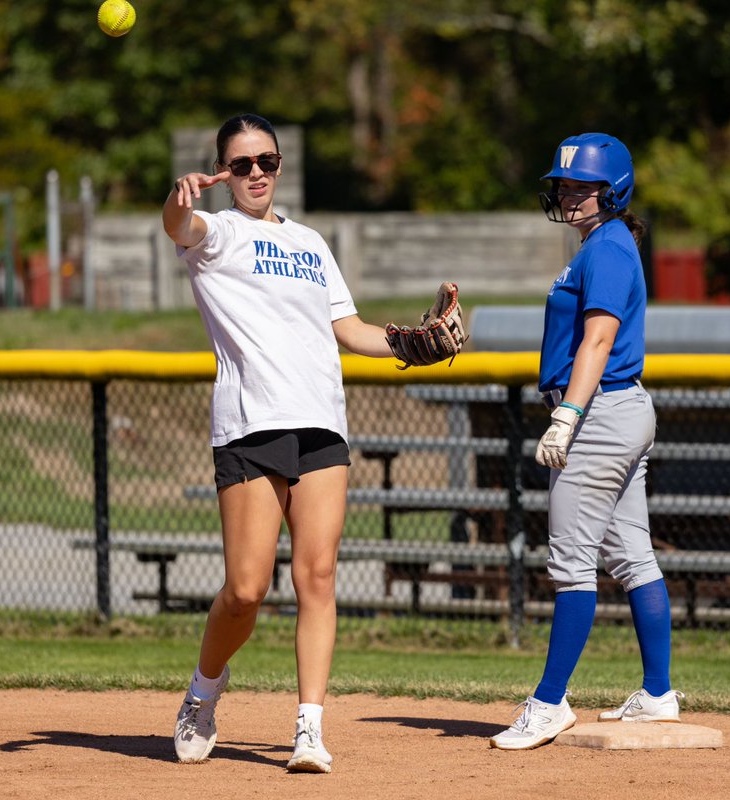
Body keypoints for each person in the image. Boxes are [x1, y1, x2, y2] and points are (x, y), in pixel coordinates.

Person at [161, 113, 462, 773]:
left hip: (321, 421)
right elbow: (180, 227)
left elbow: (348, 329)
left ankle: (309, 727)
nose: (257, 173)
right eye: (241, 165)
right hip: (250, 423)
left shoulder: (311, 242)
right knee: (245, 589)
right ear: (222, 172)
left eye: (266, 160)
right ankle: (203, 690)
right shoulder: (219, 234)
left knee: (317, 576)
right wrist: (179, 199)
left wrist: (411, 345)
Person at [490, 133, 681, 751]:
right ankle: (657, 694)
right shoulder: (602, 245)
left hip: (599, 414)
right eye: (564, 184)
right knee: (632, 556)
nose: (568, 194)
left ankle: (548, 705)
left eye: (582, 185)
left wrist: (568, 414)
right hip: (619, 411)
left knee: (571, 563)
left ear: (614, 191)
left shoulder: (609, 249)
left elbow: (598, 340)